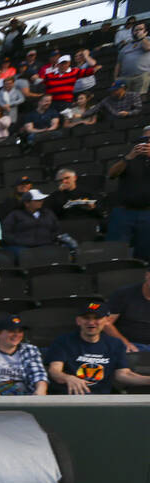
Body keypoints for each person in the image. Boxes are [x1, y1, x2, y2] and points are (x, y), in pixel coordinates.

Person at [106, 134, 150, 263]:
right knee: (115, 251)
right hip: (124, 212)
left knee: (145, 252)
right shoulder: (129, 160)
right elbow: (111, 174)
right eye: (144, 143)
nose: (146, 146)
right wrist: (128, 157)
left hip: (147, 213)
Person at [104, 269, 150, 351]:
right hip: (131, 344)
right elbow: (106, 323)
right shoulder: (124, 294)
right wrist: (124, 343)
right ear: (147, 275)